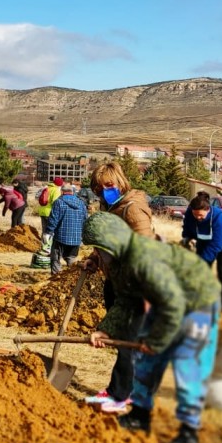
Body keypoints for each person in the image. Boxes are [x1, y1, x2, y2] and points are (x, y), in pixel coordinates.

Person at [83, 211, 220, 443]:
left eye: (100, 248)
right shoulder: (119, 262)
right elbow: (126, 300)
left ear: (112, 241)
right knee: (145, 363)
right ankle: (139, 417)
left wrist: (156, 340)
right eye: (96, 249)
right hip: (166, 300)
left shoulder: (143, 259)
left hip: (197, 298)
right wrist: (105, 330)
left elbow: (173, 303)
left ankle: (189, 433)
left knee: (189, 363)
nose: (99, 255)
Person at [86, 161, 157, 414]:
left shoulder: (133, 208)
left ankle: (120, 394)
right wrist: (96, 258)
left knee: (128, 339)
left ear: (119, 181)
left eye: (108, 185)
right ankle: (122, 388)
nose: (103, 191)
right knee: (122, 339)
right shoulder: (109, 206)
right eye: (98, 187)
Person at [182, 192, 222, 314]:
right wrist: (187, 238)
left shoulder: (220, 217)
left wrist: (202, 261)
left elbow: (217, 244)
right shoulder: (190, 213)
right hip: (203, 241)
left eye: (201, 216)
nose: (198, 218)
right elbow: (187, 227)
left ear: (208, 210)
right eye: (195, 215)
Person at [44, 184, 85, 275]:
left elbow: (53, 219)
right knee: (71, 258)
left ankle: (55, 278)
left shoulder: (59, 202)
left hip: (61, 237)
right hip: (76, 238)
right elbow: (85, 219)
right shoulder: (81, 203)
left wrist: (48, 232)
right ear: (72, 192)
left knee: (55, 259)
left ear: (62, 192)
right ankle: (71, 277)